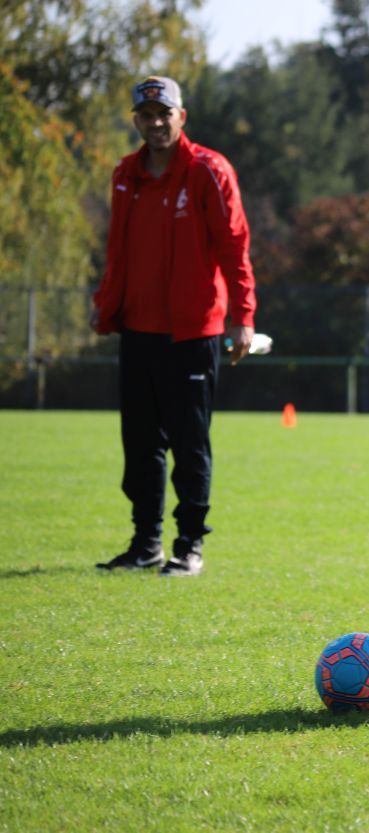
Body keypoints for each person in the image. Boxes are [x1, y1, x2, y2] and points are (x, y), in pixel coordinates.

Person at [91, 75, 258, 577]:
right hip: (138, 330)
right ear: (136, 121)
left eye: (164, 114)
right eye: (146, 115)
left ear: (181, 117)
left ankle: (189, 546)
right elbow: (118, 250)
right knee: (141, 446)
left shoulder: (209, 169)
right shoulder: (125, 174)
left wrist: (243, 317)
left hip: (193, 333)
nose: (156, 123)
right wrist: (107, 305)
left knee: (189, 444)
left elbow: (234, 246)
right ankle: (145, 543)